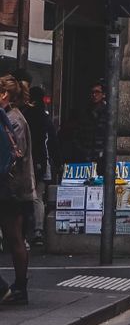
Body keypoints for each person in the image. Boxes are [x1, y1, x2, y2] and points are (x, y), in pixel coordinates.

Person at [0, 76, 35, 306]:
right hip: (9, 186)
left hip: (13, 188)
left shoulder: (15, 120)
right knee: (13, 237)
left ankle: (20, 287)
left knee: (15, 237)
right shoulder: (9, 118)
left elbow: (14, 155)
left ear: (5, 95)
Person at [22, 86, 58, 246]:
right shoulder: (44, 118)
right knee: (38, 197)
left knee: (25, 198)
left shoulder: (27, 116)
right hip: (43, 162)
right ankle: (38, 230)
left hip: (29, 162)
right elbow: (51, 142)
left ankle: (26, 231)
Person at [80, 81, 108, 171]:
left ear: (103, 94)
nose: (94, 95)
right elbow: (80, 132)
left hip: (101, 156)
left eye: (97, 92)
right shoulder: (86, 111)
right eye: (92, 92)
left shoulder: (107, 112)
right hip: (87, 155)